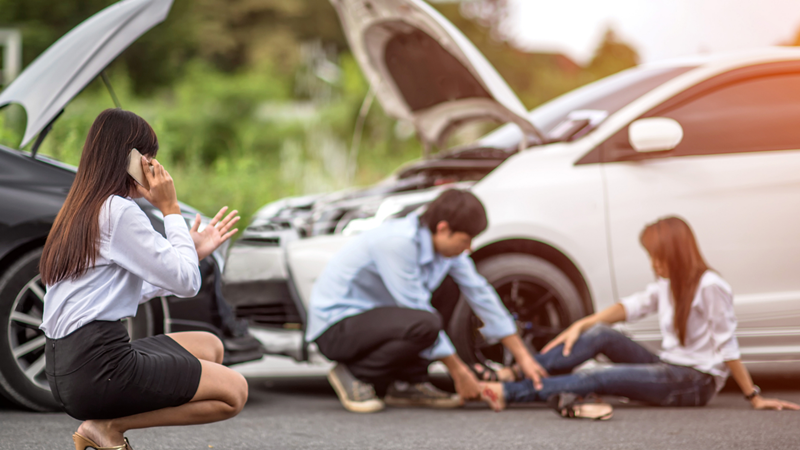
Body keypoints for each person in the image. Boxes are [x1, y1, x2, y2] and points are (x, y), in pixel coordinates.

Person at [40, 109, 247, 450]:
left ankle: (104, 424)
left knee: (210, 346)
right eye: (148, 156)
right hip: (99, 367)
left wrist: (190, 254)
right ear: (128, 158)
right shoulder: (118, 211)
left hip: (68, 366)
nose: (153, 165)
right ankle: (107, 426)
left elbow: (122, 291)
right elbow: (187, 284)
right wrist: (171, 210)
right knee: (234, 392)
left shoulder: (81, 208)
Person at [479, 216, 799, 417]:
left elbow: (728, 347)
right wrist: (581, 324)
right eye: (651, 257)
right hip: (670, 366)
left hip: (694, 382)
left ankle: (509, 392)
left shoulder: (710, 286)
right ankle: (514, 373)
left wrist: (753, 396)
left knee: (599, 377)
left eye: (659, 258)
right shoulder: (669, 284)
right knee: (602, 334)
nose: (654, 265)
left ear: (677, 255)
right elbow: (629, 307)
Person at [305, 189, 548, 413]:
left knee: (449, 288)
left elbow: (480, 293)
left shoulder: (446, 252)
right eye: (465, 240)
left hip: (375, 320)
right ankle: (354, 374)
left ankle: (408, 383)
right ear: (443, 229)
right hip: (336, 327)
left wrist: (524, 357)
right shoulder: (397, 242)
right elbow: (415, 307)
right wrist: (459, 372)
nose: (469, 248)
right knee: (426, 322)